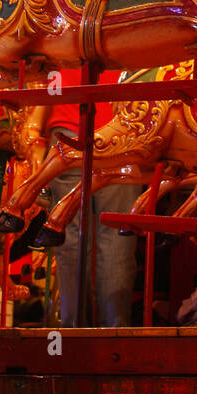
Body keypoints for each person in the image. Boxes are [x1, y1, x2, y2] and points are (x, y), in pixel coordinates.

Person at [44, 69, 142, 327]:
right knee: (117, 236)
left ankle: (74, 335)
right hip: (124, 128)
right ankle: (114, 334)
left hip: (69, 123)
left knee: (69, 238)